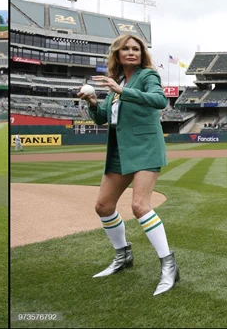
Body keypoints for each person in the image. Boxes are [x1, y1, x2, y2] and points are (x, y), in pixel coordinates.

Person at [76, 34, 178, 296]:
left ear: (142, 53)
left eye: (136, 48)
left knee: (139, 206)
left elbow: (159, 100)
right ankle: (123, 256)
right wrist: (93, 103)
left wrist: (123, 91)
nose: (131, 52)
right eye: (126, 49)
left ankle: (169, 265)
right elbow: (102, 119)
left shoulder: (147, 76)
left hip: (145, 147)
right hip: (120, 150)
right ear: (118, 54)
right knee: (103, 206)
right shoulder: (117, 81)